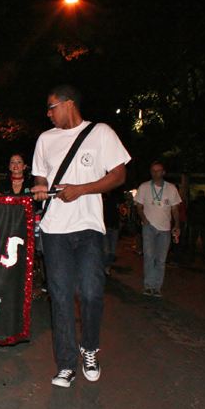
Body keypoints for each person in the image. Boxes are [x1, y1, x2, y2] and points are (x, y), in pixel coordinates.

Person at [31, 85, 131, 388]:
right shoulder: (45, 140)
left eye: (51, 107)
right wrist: (40, 187)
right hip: (54, 229)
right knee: (60, 297)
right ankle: (65, 365)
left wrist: (81, 189)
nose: (48, 114)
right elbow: (40, 175)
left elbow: (119, 175)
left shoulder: (101, 132)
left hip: (88, 226)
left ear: (68, 103)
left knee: (90, 291)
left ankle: (89, 348)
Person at [134, 161, 181, 296]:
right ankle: (148, 285)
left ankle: (157, 287)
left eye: (158, 171)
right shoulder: (144, 187)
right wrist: (144, 219)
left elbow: (175, 208)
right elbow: (138, 206)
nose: (156, 173)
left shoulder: (171, 188)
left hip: (165, 228)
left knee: (161, 259)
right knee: (149, 256)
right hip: (149, 227)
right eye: (153, 171)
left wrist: (176, 225)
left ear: (164, 172)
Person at [187, 189, 205, 261]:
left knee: (193, 241)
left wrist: (191, 221)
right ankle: (204, 256)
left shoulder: (193, 202)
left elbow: (189, 213)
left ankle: (192, 256)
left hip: (195, 224)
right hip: (204, 224)